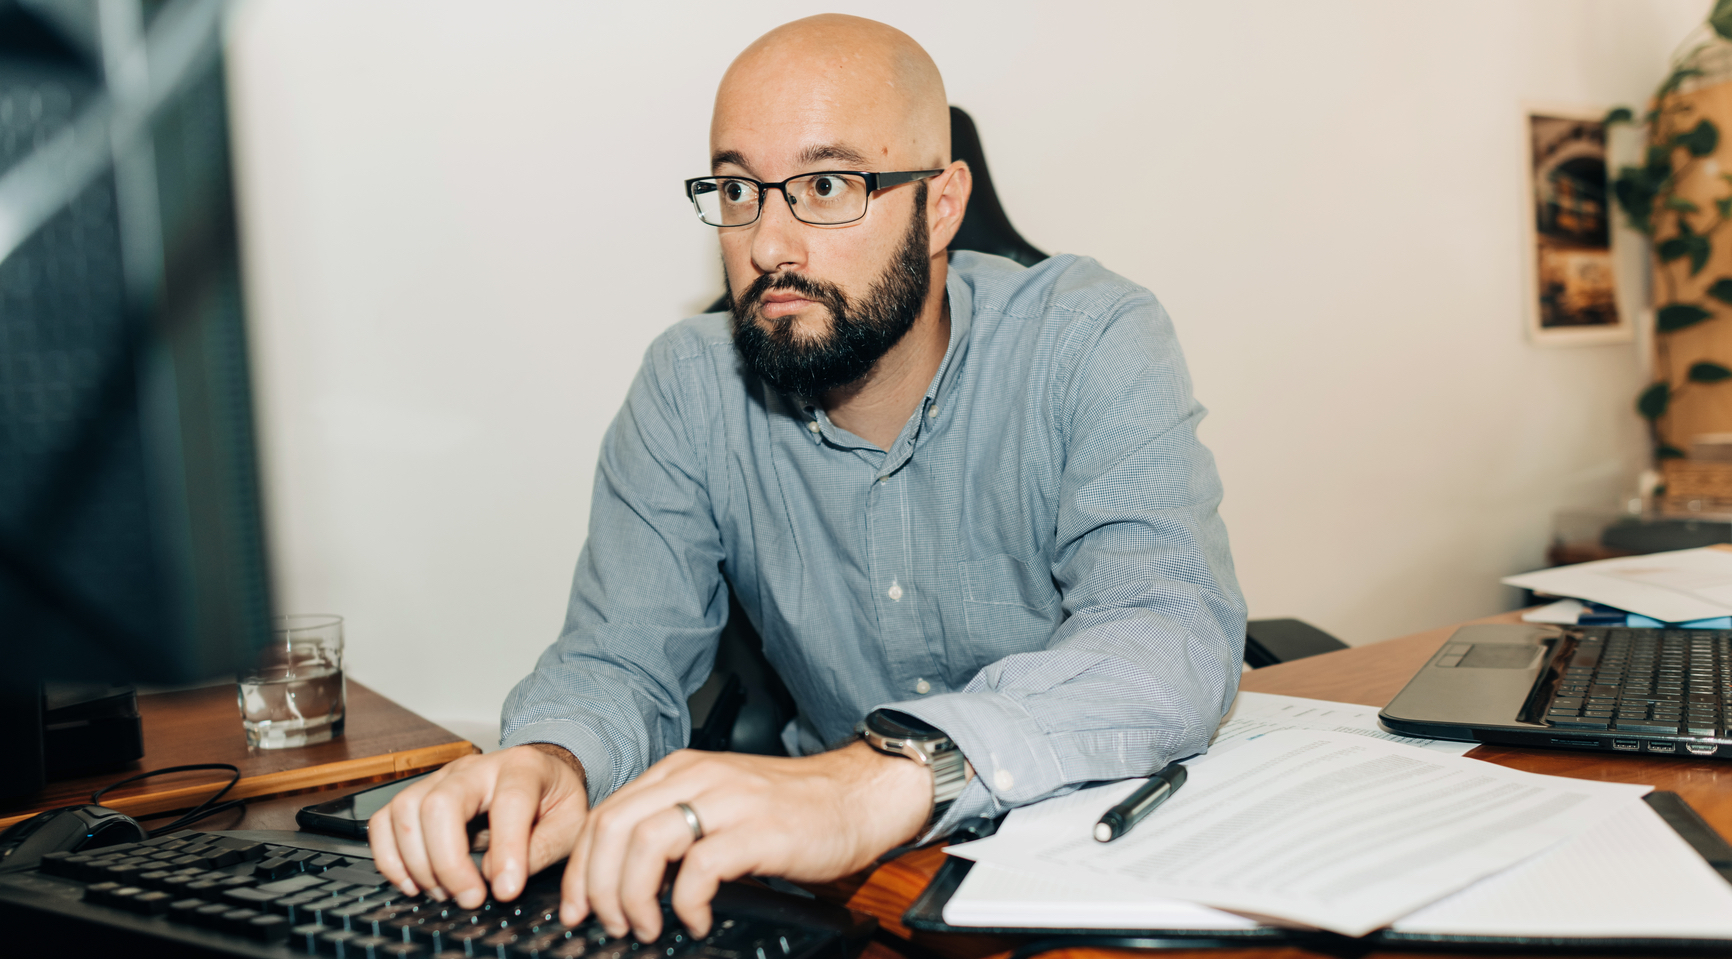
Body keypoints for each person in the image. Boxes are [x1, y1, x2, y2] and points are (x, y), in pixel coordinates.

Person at [369, 12, 1245, 944]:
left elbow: (1166, 627)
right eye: (740, 189)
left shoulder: (1089, 338)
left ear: (941, 205)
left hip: (1094, 872)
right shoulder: (687, 387)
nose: (769, 244)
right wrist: (556, 756)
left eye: (827, 185)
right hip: (849, 897)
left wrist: (880, 776)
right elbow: (620, 657)